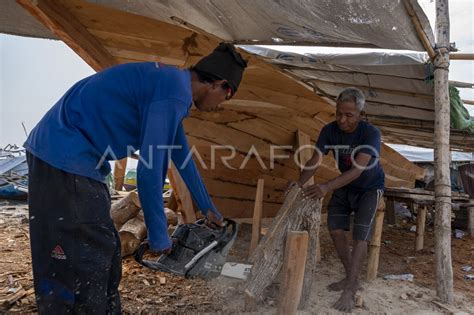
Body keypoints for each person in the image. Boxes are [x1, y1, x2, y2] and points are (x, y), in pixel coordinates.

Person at [24, 43, 247, 314]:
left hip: (71, 155)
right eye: (227, 98)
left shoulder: (171, 86)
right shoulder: (172, 94)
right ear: (220, 85)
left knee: (103, 249)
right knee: (86, 253)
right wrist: (158, 235)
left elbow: (183, 159)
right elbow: (150, 170)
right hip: (64, 153)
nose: (219, 106)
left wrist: (208, 207)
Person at [292, 87, 384, 312]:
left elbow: (358, 170)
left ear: (361, 115)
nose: (342, 120)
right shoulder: (329, 130)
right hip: (345, 185)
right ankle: (351, 279)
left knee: (360, 237)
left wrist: (325, 186)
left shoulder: (371, 133)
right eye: (338, 114)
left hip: (369, 188)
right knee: (334, 229)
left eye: (349, 115)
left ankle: (350, 290)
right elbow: (315, 159)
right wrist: (299, 183)